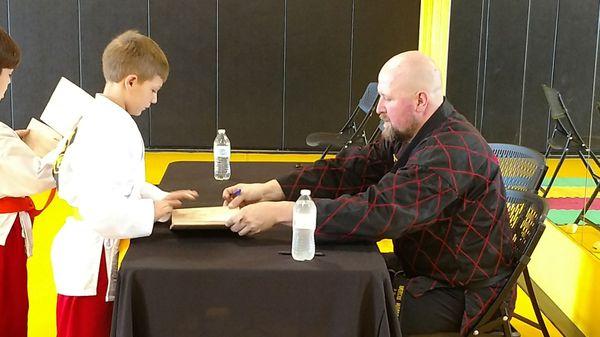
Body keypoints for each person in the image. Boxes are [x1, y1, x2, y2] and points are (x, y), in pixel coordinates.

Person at [222, 51, 514, 335]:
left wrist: (285, 212)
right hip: (422, 272)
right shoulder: (414, 132)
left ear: (420, 101)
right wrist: (272, 189)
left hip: (458, 296)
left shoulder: (449, 153)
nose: (379, 109)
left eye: (387, 98)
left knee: (336, 305)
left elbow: (379, 212)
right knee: (315, 279)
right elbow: (351, 170)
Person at [50, 30, 198, 337]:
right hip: (90, 261)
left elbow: (125, 183)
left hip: (100, 250)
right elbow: (99, 210)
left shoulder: (110, 119)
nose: (154, 100)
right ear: (131, 81)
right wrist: (150, 212)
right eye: (153, 90)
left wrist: (161, 199)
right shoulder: (103, 127)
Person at [0, 27, 60, 337]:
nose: (9, 82)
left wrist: (14, 138)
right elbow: (36, 177)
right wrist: (62, 155)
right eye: (7, 73)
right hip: (3, 237)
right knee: (7, 308)